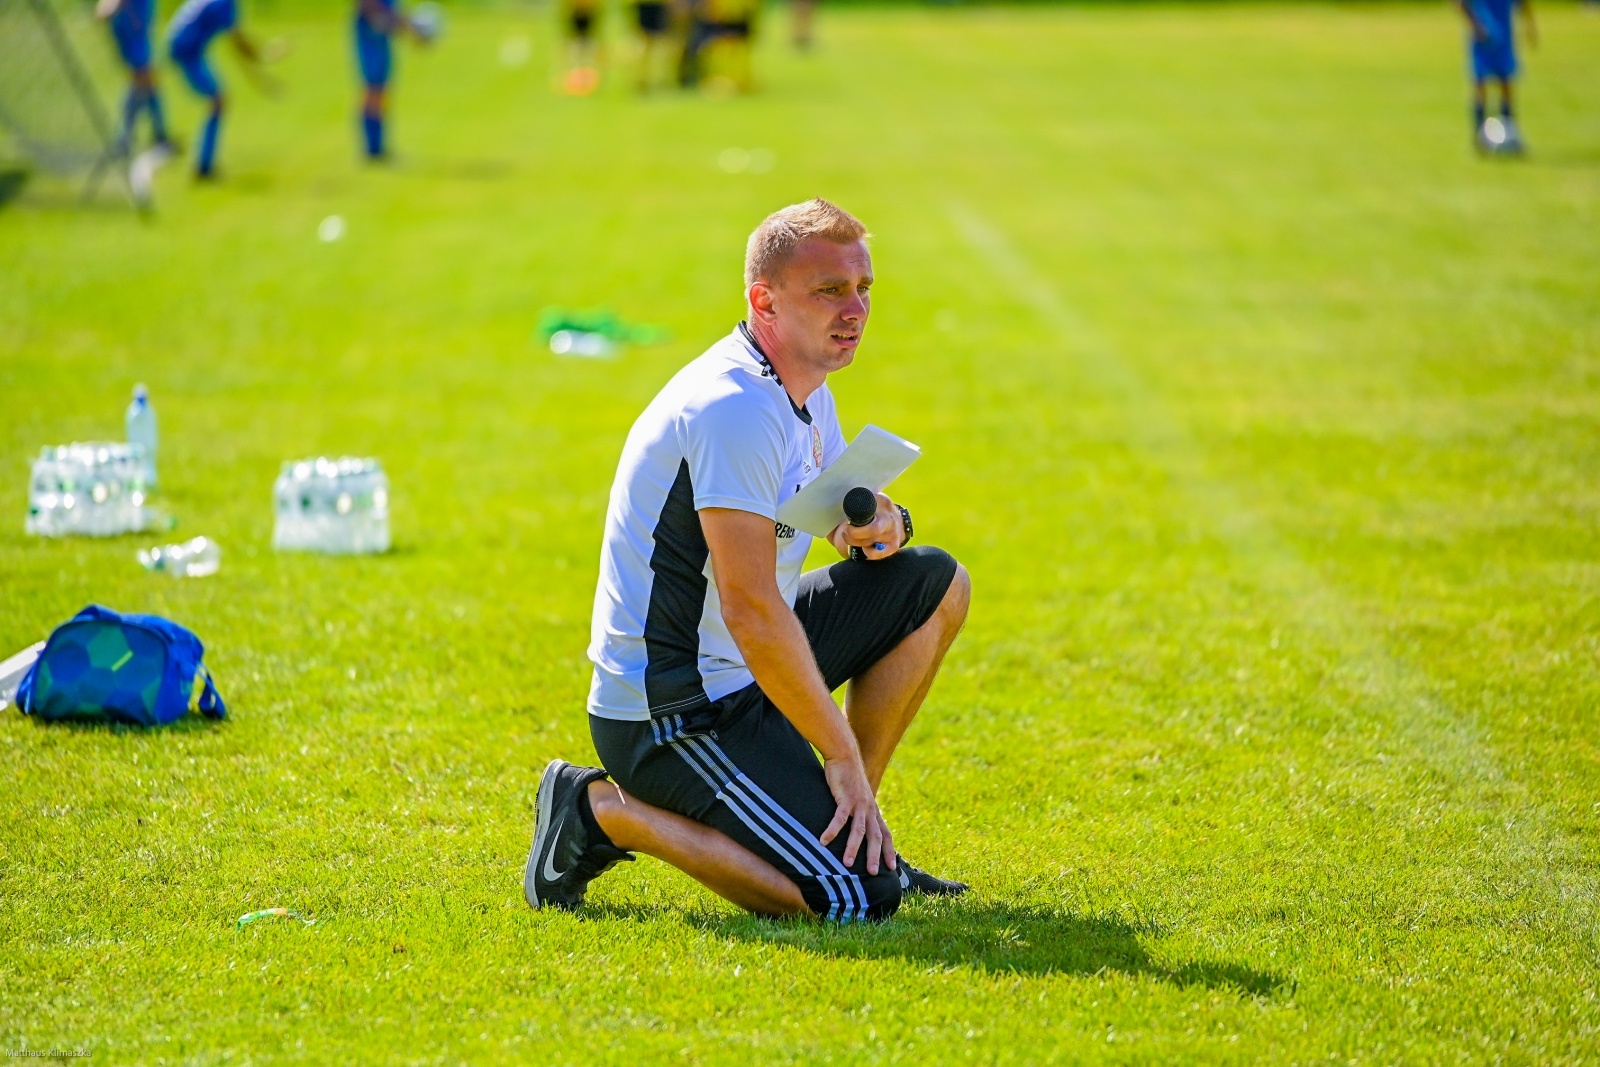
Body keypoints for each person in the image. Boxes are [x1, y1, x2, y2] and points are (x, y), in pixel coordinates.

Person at [523, 199, 973, 922]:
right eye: (829, 290)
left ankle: (858, 831)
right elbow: (752, 607)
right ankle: (598, 809)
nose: (854, 308)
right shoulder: (731, 407)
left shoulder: (801, 384)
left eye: (863, 289)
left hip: (741, 669)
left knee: (935, 582)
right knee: (851, 901)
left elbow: (814, 514)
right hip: (673, 707)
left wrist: (877, 523)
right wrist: (840, 754)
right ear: (764, 299)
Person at [165, 0, 271, 179]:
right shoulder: (225, 4)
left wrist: (258, 60)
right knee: (217, 101)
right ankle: (204, 167)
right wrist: (261, 63)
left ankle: (204, 165)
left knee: (218, 101)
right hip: (186, 49)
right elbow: (238, 42)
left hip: (185, 46)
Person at [353, 0, 430, 161]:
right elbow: (371, 9)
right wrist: (410, 27)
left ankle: (377, 147)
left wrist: (408, 26)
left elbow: (389, 13)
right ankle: (372, 149)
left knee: (380, 89)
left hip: (379, 34)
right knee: (373, 89)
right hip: (369, 34)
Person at [1456, 0, 1536, 154]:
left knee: (1506, 82)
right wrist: (1475, 25)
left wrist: (1529, 24)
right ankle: (1479, 135)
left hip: (1504, 33)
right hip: (1482, 34)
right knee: (1480, 84)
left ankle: (1509, 132)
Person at [96, 0, 173, 157]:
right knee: (144, 80)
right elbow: (107, 8)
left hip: (138, 29)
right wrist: (109, 8)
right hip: (132, 30)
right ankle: (128, 138)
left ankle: (157, 135)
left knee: (147, 83)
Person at [559, 0, 604, 95]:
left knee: (587, 55)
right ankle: (576, 81)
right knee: (577, 55)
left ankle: (586, 81)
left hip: (588, 18)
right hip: (577, 19)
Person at [632, 0, 675, 92]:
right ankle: (644, 77)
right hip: (648, 5)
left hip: (654, 5)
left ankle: (648, 77)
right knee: (649, 41)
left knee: (656, 42)